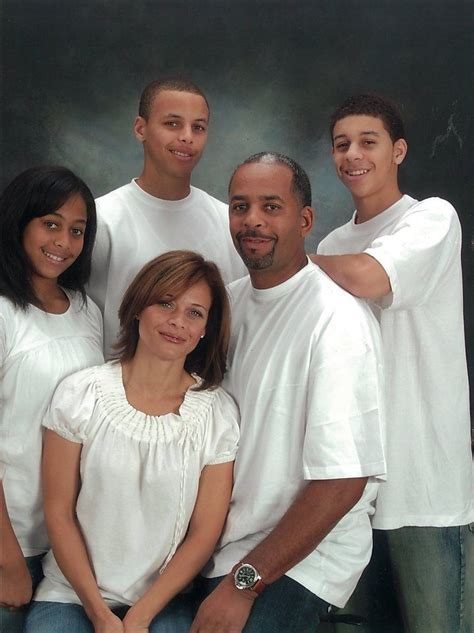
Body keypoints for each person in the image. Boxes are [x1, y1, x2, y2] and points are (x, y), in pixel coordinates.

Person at [190, 153, 386, 633]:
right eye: (240, 206)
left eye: (271, 206)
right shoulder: (228, 304)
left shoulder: (336, 321)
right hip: (224, 545)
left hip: (301, 560)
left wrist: (244, 583)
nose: (252, 220)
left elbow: (342, 482)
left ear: (305, 220)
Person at [313, 93, 473, 633]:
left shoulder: (431, 219)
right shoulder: (335, 242)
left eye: (368, 141)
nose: (352, 154)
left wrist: (283, 260)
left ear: (398, 150)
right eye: (341, 144)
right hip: (350, 492)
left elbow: (372, 278)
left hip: (426, 487)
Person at [26, 250, 240, 633]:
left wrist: (141, 615)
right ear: (139, 306)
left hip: (166, 601)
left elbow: (205, 532)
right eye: (165, 303)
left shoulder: (217, 414)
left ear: (207, 328)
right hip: (73, 595)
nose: (178, 321)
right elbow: (58, 513)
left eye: (195, 312)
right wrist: (98, 614)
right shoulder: (81, 394)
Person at [0, 166, 104, 632]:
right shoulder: (3, 312)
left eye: (77, 230)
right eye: (51, 223)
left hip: (69, 545)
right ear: (20, 221)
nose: (64, 240)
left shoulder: (87, 311)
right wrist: (7, 560)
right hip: (11, 541)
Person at [88, 77, 246, 358]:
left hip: (208, 390)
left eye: (198, 127)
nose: (187, 136)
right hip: (117, 389)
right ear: (141, 128)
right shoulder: (102, 219)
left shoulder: (228, 221)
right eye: (172, 124)